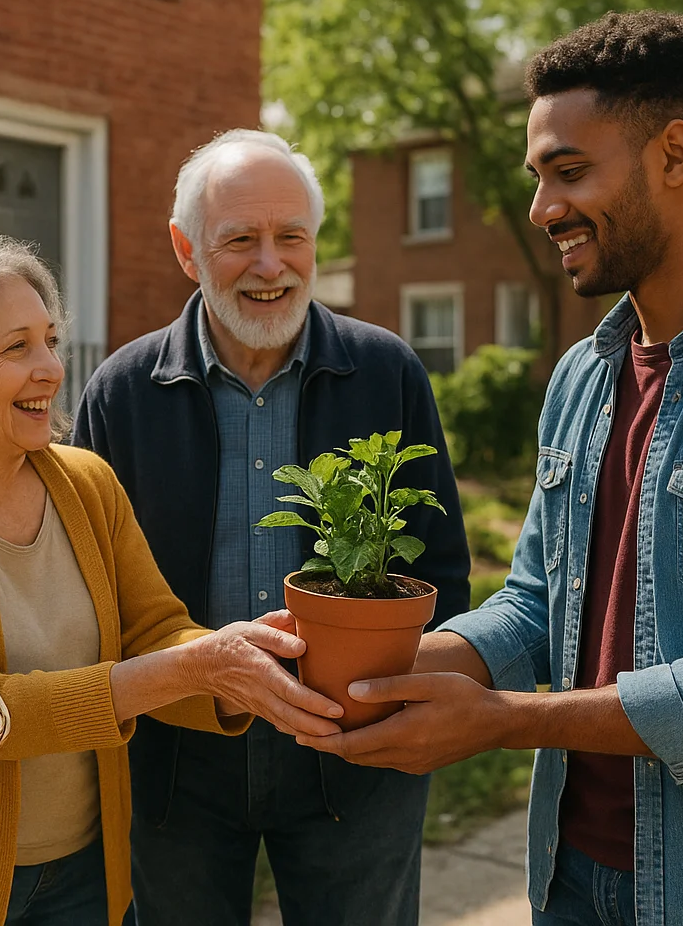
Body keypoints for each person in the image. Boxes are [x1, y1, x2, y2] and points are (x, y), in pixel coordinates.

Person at [298, 12, 683, 926]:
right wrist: (368, 669)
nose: (541, 208)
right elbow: (536, 605)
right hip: (573, 876)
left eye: (569, 171)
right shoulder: (583, 374)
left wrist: (507, 721)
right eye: (539, 178)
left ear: (675, 154)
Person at [0, 232, 343, 926]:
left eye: (50, 340)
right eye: (17, 348)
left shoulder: (85, 482)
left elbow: (155, 629)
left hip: (87, 874)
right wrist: (198, 667)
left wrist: (240, 660)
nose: (50, 367)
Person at [70, 129, 473, 926]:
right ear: (187, 250)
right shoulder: (123, 391)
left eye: (291, 237)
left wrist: (411, 705)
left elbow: (445, 574)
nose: (270, 264)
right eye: (240, 240)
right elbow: (84, 588)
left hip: (356, 758)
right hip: (177, 767)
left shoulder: (386, 372)